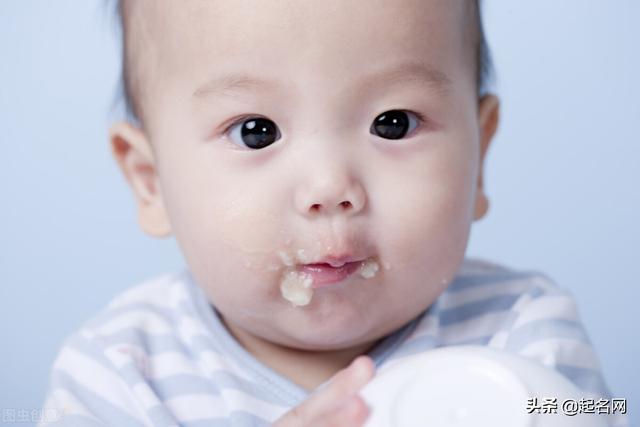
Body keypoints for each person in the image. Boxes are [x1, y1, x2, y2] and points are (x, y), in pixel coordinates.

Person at [39, 1, 628, 426]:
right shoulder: (119, 372)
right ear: (151, 182)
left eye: (393, 123)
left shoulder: (525, 331)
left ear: (479, 155)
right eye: (256, 132)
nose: (329, 188)